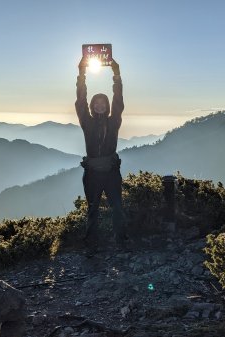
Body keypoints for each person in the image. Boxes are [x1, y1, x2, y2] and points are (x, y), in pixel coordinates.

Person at [75, 56, 127, 253]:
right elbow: (80, 101)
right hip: (93, 173)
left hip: (111, 171)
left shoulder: (114, 121)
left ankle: (121, 241)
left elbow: (119, 101)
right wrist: (81, 74)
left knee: (117, 208)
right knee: (93, 209)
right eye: (96, 103)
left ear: (106, 106)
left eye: (102, 103)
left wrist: (116, 75)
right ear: (92, 106)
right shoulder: (86, 122)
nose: (99, 105)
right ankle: (91, 244)